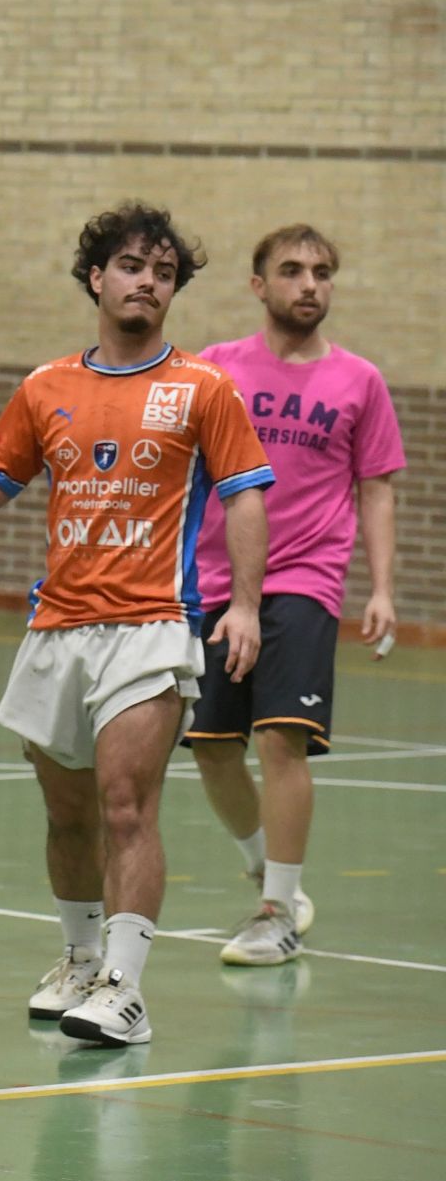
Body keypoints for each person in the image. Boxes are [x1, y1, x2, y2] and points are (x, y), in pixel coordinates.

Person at [0, 202, 274, 1047]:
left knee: (127, 804)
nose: (148, 284)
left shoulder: (204, 389)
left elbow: (245, 494)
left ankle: (126, 990)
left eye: (164, 274)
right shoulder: (45, 386)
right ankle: (81, 958)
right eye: (133, 266)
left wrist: (243, 602)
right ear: (97, 277)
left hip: (153, 625)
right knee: (67, 814)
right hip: (57, 627)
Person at [183, 224, 404, 967]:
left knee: (281, 738)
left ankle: (277, 907)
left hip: (306, 580)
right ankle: (264, 864)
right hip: (217, 581)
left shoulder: (359, 382)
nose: (310, 284)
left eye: (322, 272)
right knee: (213, 748)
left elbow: (376, 489)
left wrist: (381, 588)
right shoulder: (214, 370)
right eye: (292, 270)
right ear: (259, 286)